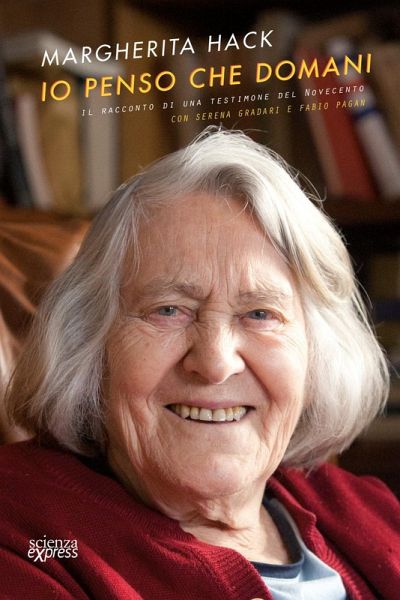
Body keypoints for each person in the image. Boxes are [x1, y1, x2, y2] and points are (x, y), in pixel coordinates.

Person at [0, 129, 399, 600]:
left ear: (317, 353)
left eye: (260, 314)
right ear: (88, 343)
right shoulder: (31, 537)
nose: (214, 363)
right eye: (169, 310)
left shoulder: (371, 514)